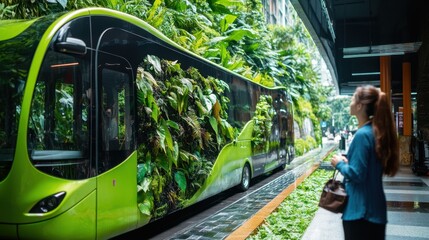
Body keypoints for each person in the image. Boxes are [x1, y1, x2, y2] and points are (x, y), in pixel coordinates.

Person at [330, 85, 399, 240]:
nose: (350, 102)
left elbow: (358, 174)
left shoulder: (362, 135)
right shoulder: (375, 132)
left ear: (360, 106)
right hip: (376, 211)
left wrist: (339, 164)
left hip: (359, 213)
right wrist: (349, 161)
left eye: (353, 98)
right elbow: (367, 168)